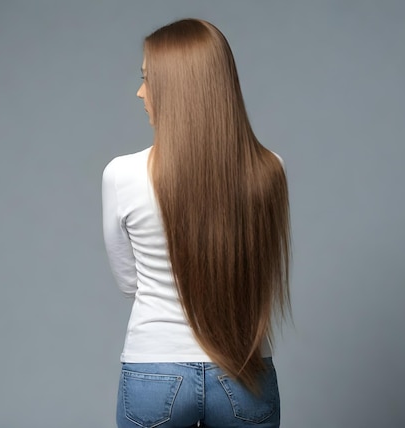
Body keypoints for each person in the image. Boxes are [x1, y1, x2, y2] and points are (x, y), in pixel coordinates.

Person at [102, 18, 291, 428]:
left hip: (154, 371)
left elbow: (128, 283)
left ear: (178, 88)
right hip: (244, 372)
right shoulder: (269, 169)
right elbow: (258, 271)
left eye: (148, 79)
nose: (139, 92)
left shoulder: (121, 174)